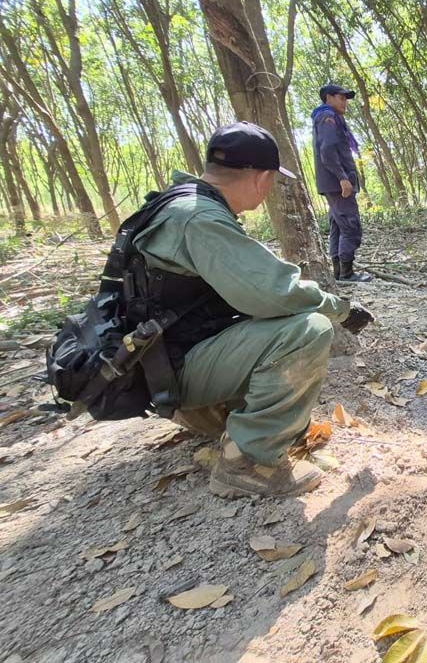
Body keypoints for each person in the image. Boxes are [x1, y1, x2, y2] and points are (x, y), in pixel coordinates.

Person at [128, 122, 374, 498]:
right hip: (173, 369)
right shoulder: (199, 218)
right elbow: (272, 292)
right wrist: (340, 310)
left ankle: (221, 418)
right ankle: (246, 461)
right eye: (272, 180)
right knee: (308, 330)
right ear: (261, 178)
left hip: (165, 360)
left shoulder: (179, 203)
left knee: (274, 323)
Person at [312, 83, 371, 282]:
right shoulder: (327, 117)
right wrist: (342, 178)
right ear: (329, 97)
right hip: (336, 183)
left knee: (338, 225)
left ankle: (339, 272)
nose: (345, 102)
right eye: (342, 98)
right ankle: (346, 272)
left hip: (332, 182)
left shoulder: (329, 117)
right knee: (350, 225)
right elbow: (327, 150)